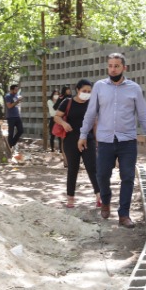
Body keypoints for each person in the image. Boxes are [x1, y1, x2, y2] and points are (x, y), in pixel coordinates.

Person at [78, 53, 146, 228]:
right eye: (110, 66)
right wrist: (83, 135)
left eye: (116, 66)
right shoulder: (99, 87)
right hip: (105, 140)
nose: (113, 69)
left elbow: (143, 114)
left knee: (127, 177)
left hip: (127, 140)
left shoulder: (134, 88)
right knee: (102, 174)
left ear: (124, 68)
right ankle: (105, 201)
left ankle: (124, 214)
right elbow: (91, 113)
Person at [53, 80, 101, 208]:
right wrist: (64, 123)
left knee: (92, 168)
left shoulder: (91, 104)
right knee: (72, 169)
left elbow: (95, 123)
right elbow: (56, 116)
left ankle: (99, 197)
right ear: (77, 90)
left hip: (88, 140)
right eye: (84, 91)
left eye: (89, 92)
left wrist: (97, 141)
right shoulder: (67, 102)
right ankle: (70, 198)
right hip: (71, 140)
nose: (86, 94)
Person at [4, 84, 24, 148]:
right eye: (15, 89)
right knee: (11, 132)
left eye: (17, 89)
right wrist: (17, 101)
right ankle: (10, 146)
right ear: (12, 90)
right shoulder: (8, 96)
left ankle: (12, 143)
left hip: (17, 116)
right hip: (11, 117)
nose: (17, 90)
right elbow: (9, 106)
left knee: (21, 130)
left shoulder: (17, 95)